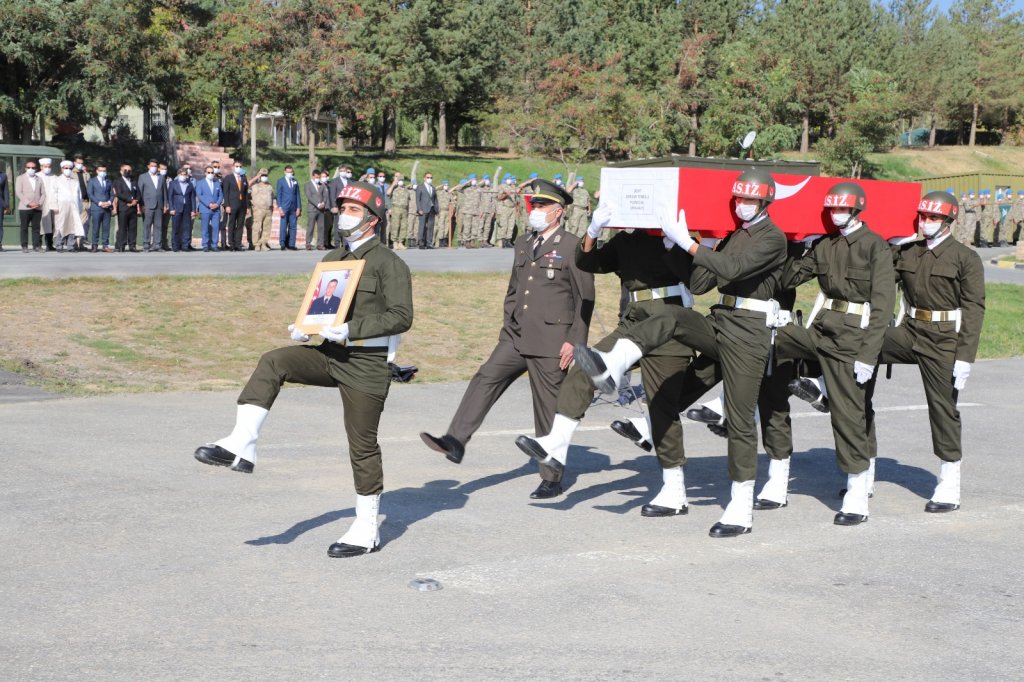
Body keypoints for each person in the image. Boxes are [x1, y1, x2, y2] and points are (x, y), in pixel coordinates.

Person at [194, 181, 413, 558]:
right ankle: (241, 443)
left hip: (365, 363)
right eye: (342, 207)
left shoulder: (389, 263)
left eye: (353, 210)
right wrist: (304, 328)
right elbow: (320, 306)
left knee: (361, 445)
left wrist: (351, 330)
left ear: (373, 220)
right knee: (274, 360)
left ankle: (366, 527)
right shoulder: (332, 259)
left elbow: (401, 316)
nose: (344, 214)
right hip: (328, 353)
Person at [568, 170, 788, 536]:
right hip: (722, 320)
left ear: (765, 203)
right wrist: (682, 246)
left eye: (749, 201)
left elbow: (733, 268)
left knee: (739, 417)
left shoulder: (773, 238)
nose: (742, 206)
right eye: (739, 200)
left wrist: (687, 242)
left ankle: (740, 505)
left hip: (751, 332)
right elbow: (700, 284)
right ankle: (613, 362)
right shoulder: (734, 234)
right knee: (671, 315)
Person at [794, 192, 986, 513]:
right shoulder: (907, 252)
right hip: (908, 331)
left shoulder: (965, 258)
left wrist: (965, 356)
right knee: (858, 352)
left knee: (942, 408)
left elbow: (975, 308)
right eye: (923, 217)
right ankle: (863, 466)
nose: (926, 223)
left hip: (943, 339)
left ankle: (949, 480)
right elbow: (875, 276)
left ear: (949, 221)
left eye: (934, 218)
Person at [515, 197, 699, 509]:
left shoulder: (678, 233)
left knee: (661, 405)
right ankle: (555, 445)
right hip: (635, 317)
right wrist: (594, 229)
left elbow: (697, 280)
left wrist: (675, 242)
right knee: (584, 369)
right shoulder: (627, 240)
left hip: (671, 317)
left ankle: (675, 490)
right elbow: (590, 263)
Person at [421, 179, 595, 499]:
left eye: (542, 206)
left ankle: (552, 477)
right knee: (486, 376)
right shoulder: (524, 243)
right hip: (516, 336)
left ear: (559, 211)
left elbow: (585, 297)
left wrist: (576, 341)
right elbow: (515, 289)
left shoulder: (572, 245)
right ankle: (456, 440)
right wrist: (507, 325)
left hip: (553, 340)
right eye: (533, 205)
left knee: (546, 409)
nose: (535, 211)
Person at [771, 182, 895, 526]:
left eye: (842, 209)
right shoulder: (824, 245)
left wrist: (869, 355)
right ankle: (814, 384)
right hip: (821, 329)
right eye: (832, 210)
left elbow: (884, 305)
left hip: (854, 336)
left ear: (856, 210)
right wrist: (795, 245)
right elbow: (789, 278)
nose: (836, 215)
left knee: (848, 413)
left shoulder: (875, 247)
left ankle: (857, 488)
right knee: (775, 339)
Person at [52, 160, 86, 252]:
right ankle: (59, 245)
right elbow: (53, 194)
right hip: (61, 207)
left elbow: (79, 196)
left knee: (73, 226)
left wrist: (80, 207)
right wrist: (54, 206)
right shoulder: (57, 180)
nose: (68, 170)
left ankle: (71, 246)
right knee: (61, 225)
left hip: (74, 206)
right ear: (62, 169)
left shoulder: (75, 182)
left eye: (70, 168)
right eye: (66, 168)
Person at [15, 160, 45, 252]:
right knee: (24, 227)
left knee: (36, 228)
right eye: (29, 167)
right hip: (25, 207)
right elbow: (18, 192)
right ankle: (24, 246)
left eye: (33, 167)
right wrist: (28, 203)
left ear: (36, 168)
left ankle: (36, 246)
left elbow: (43, 193)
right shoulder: (20, 178)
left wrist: (39, 203)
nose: (31, 169)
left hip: (37, 207)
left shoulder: (39, 179)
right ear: (25, 168)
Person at [137, 160, 166, 252]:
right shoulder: (143, 177)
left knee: (158, 226)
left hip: (159, 205)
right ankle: (146, 245)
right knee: (147, 226)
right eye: (152, 165)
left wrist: (165, 204)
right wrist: (141, 205)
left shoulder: (161, 177)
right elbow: (140, 192)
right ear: (148, 166)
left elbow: (164, 192)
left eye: (155, 166)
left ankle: (157, 245)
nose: (154, 167)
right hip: (147, 205)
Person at [168, 166, 197, 252]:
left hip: (187, 209)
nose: (183, 176)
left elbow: (192, 198)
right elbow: (170, 197)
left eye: (185, 174)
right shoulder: (173, 183)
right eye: (182, 174)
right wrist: (171, 208)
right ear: (178, 175)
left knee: (186, 228)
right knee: (176, 228)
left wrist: (193, 210)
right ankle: (175, 246)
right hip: (176, 208)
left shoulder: (190, 184)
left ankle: (185, 245)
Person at [113, 164, 141, 252]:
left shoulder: (134, 181)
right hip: (123, 208)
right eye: (125, 170)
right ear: (121, 171)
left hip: (133, 208)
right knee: (122, 227)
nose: (127, 172)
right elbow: (119, 194)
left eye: (129, 170)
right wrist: (129, 201)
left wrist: (135, 201)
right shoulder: (118, 181)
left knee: (133, 227)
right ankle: (121, 245)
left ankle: (132, 245)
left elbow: (139, 194)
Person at [86, 165, 114, 252]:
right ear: (97, 171)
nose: (103, 172)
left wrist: (109, 202)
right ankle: (94, 245)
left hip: (107, 208)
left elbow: (112, 194)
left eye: (104, 170)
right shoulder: (92, 181)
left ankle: (105, 245)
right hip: (96, 208)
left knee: (106, 228)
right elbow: (90, 194)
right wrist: (100, 203)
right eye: (101, 170)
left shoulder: (108, 181)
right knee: (96, 227)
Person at [222, 160, 249, 250]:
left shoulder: (244, 178)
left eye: (240, 166)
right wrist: (227, 205)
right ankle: (231, 244)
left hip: (242, 205)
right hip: (232, 205)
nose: (238, 168)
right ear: (233, 167)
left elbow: (245, 194)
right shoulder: (228, 178)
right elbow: (225, 193)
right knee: (232, 224)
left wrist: (247, 206)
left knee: (240, 225)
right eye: (237, 166)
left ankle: (238, 244)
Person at [195, 166, 223, 252]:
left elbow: (221, 195)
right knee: (205, 227)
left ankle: (214, 244)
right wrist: (209, 204)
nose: (210, 174)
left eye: (212, 172)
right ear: (205, 173)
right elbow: (200, 195)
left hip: (216, 209)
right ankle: (205, 245)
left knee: (215, 227)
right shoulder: (200, 183)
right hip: (205, 208)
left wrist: (217, 204)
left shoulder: (217, 182)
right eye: (209, 172)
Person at [249, 168, 276, 251]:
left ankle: (263, 243)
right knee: (256, 227)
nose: (264, 177)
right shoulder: (254, 185)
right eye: (262, 175)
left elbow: (272, 197)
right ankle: (256, 244)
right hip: (258, 209)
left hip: (268, 210)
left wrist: (272, 206)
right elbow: (247, 184)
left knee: (267, 228)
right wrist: (257, 176)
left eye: (265, 175)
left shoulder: (270, 186)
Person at [275, 165, 301, 250]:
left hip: (293, 207)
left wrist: (298, 207)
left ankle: (291, 244)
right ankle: (282, 243)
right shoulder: (280, 181)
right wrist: (280, 207)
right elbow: (278, 195)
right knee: (283, 225)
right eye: (288, 172)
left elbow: (298, 195)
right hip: (284, 207)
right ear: (284, 172)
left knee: (293, 226)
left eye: (291, 172)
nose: (289, 173)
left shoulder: (295, 181)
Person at [305, 169, 330, 250]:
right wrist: (317, 204)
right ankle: (308, 243)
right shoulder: (308, 185)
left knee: (321, 227)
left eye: (319, 177)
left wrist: (323, 203)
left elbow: (325, 196)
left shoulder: (322, 185)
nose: (318, 179)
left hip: (321, 210)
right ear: (313, 176)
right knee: (311, 227)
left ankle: (320, 244)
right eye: (316, 177)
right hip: (312, 209)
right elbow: (309, 196)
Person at [415, 171, 438, 249]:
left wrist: (436, 209)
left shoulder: (433, 188)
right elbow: (418, 199)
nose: (430, 179)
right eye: (428, 177)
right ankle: (421, 242)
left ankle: (429, 243)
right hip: (423, 209)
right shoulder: (420, 187)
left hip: (432, 209)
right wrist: (419, 209)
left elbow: (435, 200)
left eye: (431, 178)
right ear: (424, 178)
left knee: (430, 226)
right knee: (422, 226)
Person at [39, 158, 58, 251]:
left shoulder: (54, 177)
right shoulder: (37, 176)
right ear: (41, 167)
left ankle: (49, 245)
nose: (47, 168)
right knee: (40, 225)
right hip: (40, 204)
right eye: (45, 166)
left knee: (50, 225)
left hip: (52, 203)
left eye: (49, 166)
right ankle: (38, 244)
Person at [388, 174, 409, 249]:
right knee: (395, 226)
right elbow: (388, 193)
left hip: (404, 210)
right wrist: (393, 184)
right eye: (400, 180)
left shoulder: (406, 190)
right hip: (396, 208)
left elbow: (408, 201)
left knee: (404, 226)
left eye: (402, 180)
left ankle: (401, 242)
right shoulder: (394, 189)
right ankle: (394, 242)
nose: (401, 182)